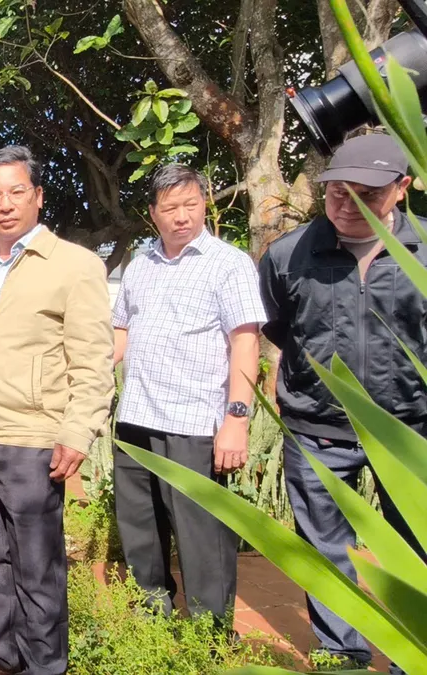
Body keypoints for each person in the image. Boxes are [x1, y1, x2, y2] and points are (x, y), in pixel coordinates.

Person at [0, 145, 115, 675]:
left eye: (16, 192)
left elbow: (92, 360)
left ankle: (44, 666)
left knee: (37, 567)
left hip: (31, 441)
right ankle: (1, 654)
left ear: (37, 197)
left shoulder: (74, 266)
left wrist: (78, 431)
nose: (5, 204)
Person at [259, 133, 427, 672]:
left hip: (409, 432)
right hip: (317, 430)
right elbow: (283, 330)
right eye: (336, 194)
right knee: (326, 550)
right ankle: (342, 656)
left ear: (401, 189)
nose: (347, 207)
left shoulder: (422, 252)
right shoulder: (288, 255)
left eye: (366, 195)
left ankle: (411, 657)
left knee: (414, 551)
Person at [111, 164, 267, 625]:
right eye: (170, 207)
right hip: (137, 416)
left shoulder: (229, 264)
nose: (182, 216)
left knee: (202, 534)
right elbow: (121, 332)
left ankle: (210, 632)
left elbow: (246, 341)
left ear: (205, 204)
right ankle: (151, 613)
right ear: (153, 214)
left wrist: (236, 420)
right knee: (140, 528)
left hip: (196, 422)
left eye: (191, 204)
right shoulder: (140, 266)